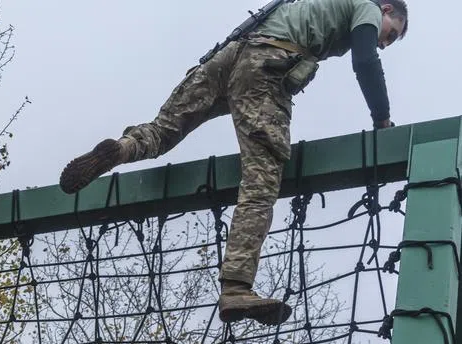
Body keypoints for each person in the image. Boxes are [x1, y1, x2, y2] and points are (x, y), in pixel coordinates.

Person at [60, 0, 408, 326]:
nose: (383, 43)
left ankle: (120, 149)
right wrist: (382, 119)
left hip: (226, 57)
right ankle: (237, 289)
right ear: (387, 8)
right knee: (261, 179)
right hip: (266, 65)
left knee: (163, 131)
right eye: (391, 34)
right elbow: (365, 61)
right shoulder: (367, 7)